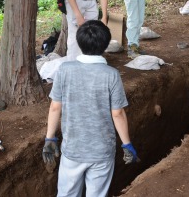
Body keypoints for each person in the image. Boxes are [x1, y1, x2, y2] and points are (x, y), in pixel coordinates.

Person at [42, 20, 139, 197]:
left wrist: (50, 138)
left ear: (79, 43)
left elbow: (55, 107)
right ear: (106, 44)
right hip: (101, 152)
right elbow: (117, 113)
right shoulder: (111, 74)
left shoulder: (65, 70)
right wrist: (127, 143)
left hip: (72, 150)